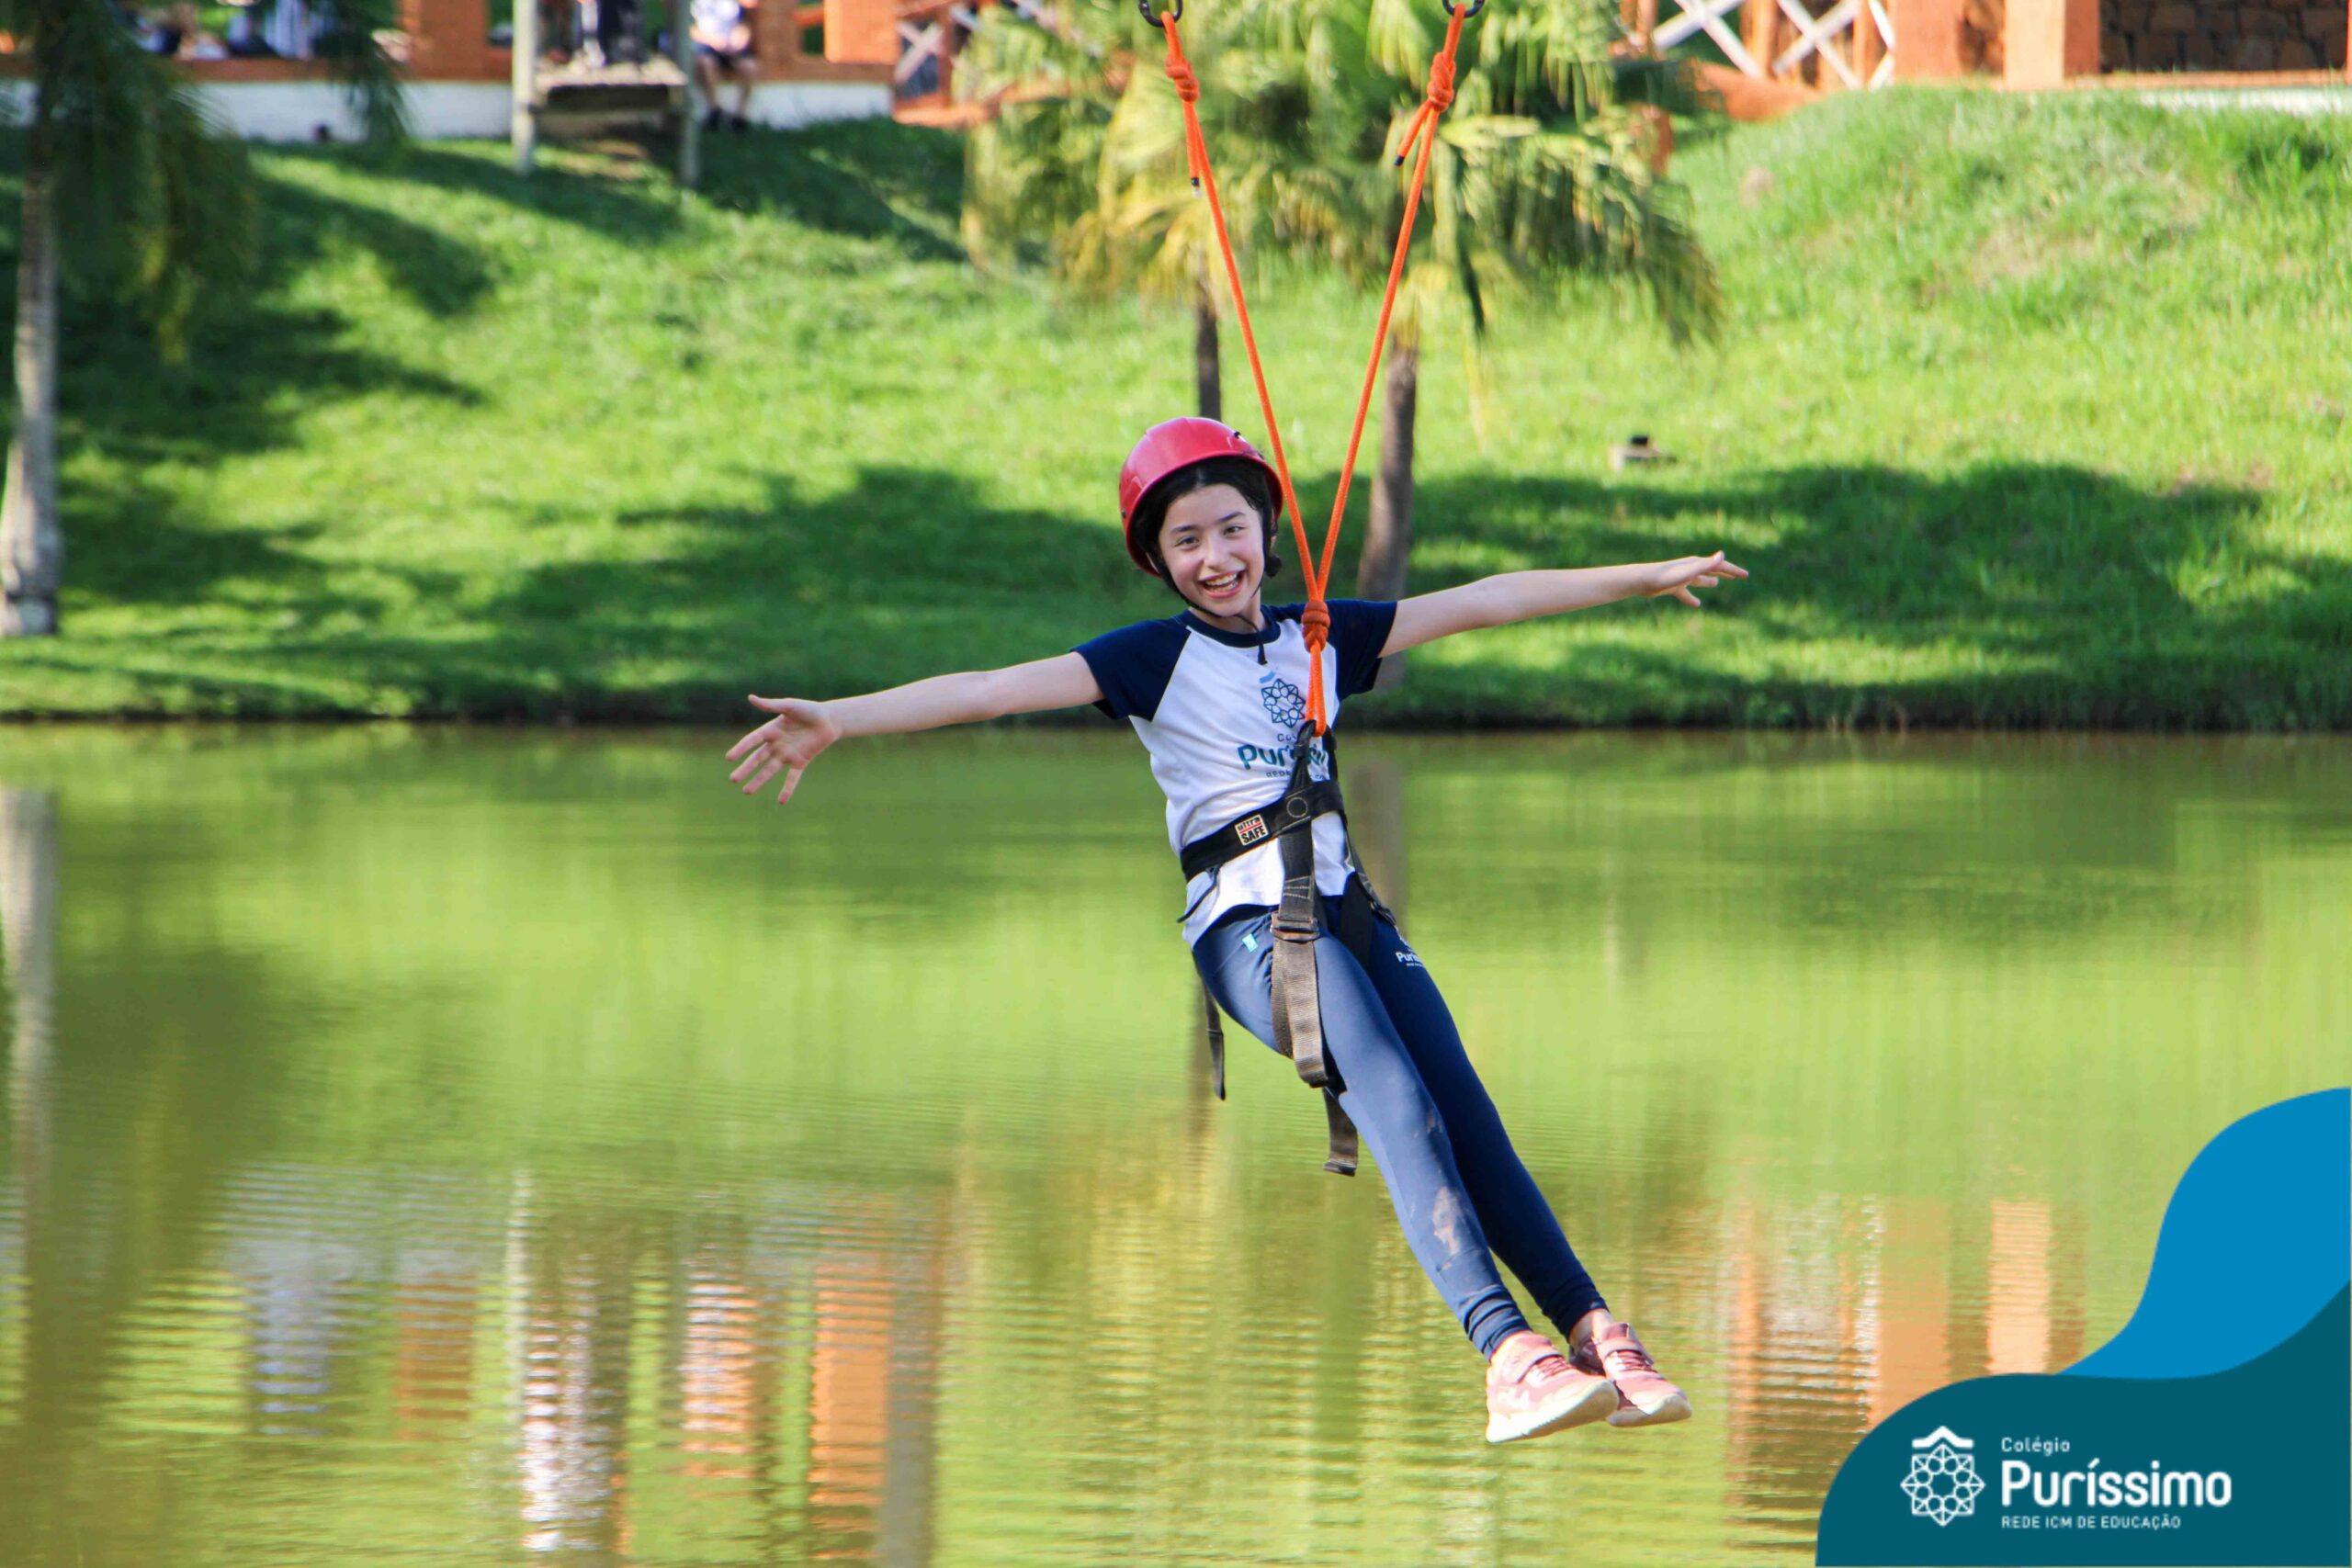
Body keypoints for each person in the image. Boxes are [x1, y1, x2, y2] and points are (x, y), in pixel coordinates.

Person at [725, 418, 1747, 1444]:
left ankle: (1592, 1332)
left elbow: (1485, 600)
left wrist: (1643, 576)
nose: (1214, 558)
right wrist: (843, 717)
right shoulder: (1149, 658)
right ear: (1158, 560)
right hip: (1249, 926)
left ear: (1265, 529)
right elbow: (988, 692)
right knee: (1393, 1096)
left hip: (1348, 911)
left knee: (1466, 1109)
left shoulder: (1322, 637)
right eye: (1185, 541)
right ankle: (1506, 1355)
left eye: (1230, 529)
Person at [690, 0, 756, 130]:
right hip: (706, 45)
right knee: (705, 63)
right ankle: (715, 109)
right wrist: (713, 41)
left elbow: (744, 25)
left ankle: (740, 115)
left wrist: (738, 41)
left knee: (750, 66)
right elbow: (690, 29)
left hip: (731, 46)